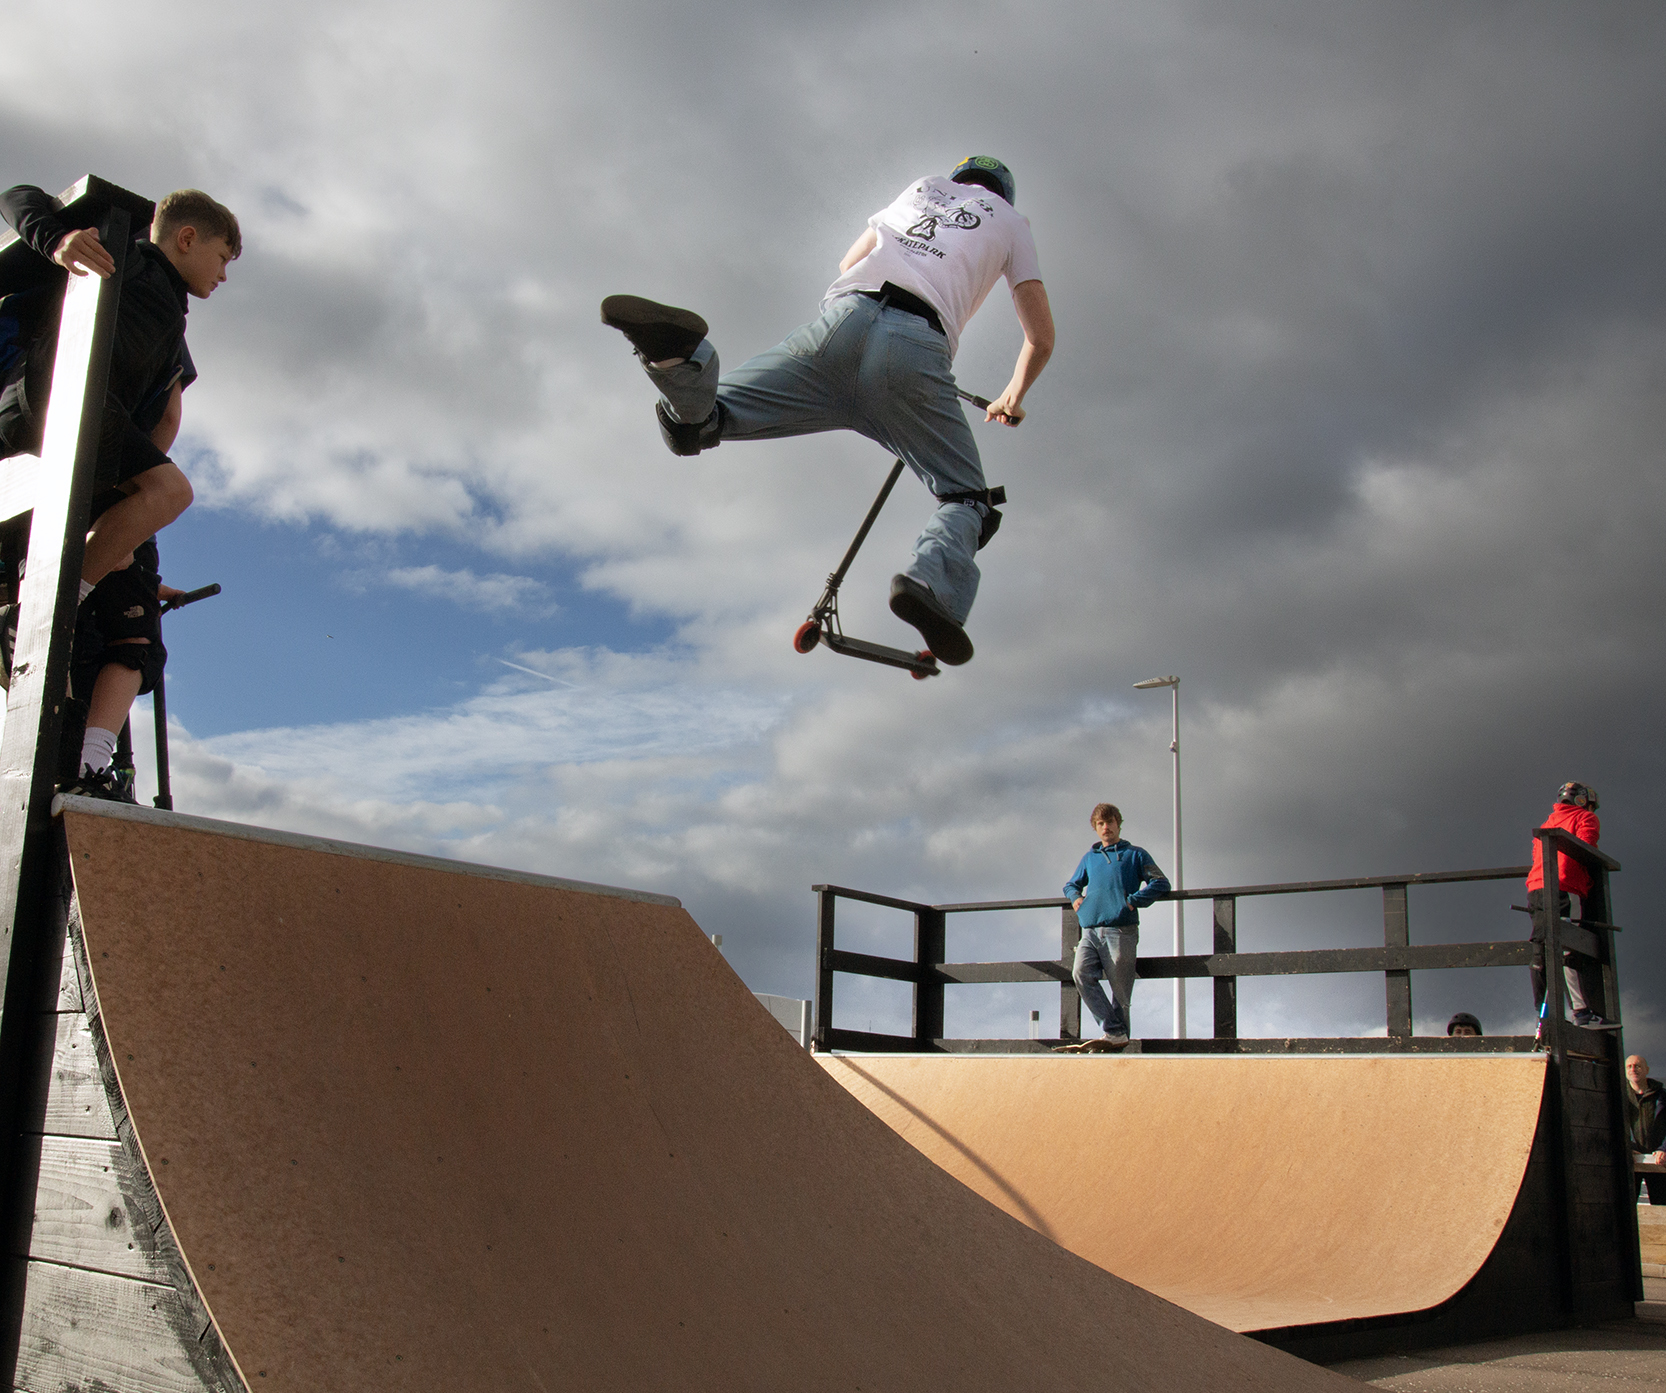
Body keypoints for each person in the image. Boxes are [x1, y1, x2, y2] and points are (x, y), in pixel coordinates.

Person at [600, 156, 1053, 666]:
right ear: (1004, 193)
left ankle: (677, 358)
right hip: (913, 353)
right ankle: (929, 587)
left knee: (703, 424)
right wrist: (1012, 395)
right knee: (969, 499)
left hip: (838, 326)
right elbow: (1040, 336)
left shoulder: (923, 188)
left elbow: (848, 263)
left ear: (960, 177)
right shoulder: (1012, 223)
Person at [0, 186, 239, 798]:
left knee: (154, 523)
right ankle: (45, 605)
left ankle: (88, 758)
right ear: (186, 238)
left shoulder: (170, 323)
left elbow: (161, 418)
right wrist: (56, 240)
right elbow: (16, 194)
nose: (223, 275)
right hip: (56, 401)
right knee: (171, 489)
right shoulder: (121, 250)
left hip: (99, 428)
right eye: (222, 257)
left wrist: (122, 536)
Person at [1059, 803, 1170, 1048]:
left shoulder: (1136, 854)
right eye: (1100, 823)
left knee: (1121, 992)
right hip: (1090, 931)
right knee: (1080, 974)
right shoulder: (1090, 858)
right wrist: (1075, 898)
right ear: (1095, 828)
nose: (1106, 827)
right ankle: (1114, 1032)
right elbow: (1070, 885)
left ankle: (1119, 1043)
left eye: (1110, 822)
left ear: (1119, 823)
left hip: (1121, 930)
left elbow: (1161, 883)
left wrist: (1132, 901)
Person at [1525, 781, 1606, 1028]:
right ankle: (1581, 1012)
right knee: (1568, 948)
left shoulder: (1547, 823)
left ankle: (1544, 1016)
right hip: (1565, 887)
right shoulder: (1585, 818)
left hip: (1536, 889)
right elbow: (1587, 848)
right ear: (1583, 801)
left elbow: (1536, 856)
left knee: (1540, 949)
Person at [1626, 1055, 1666, 1205]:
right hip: (1631, 1159)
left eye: (1637, 1066)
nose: (1633, 1069)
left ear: (1647, 1070)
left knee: (1662, 1206)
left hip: (1658, 1160)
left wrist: (1664, 1149)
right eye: (1629, 1066)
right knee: (1626, 1209)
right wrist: (1627, 1148)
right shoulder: (1619, 1096)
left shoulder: (1662, 1096)